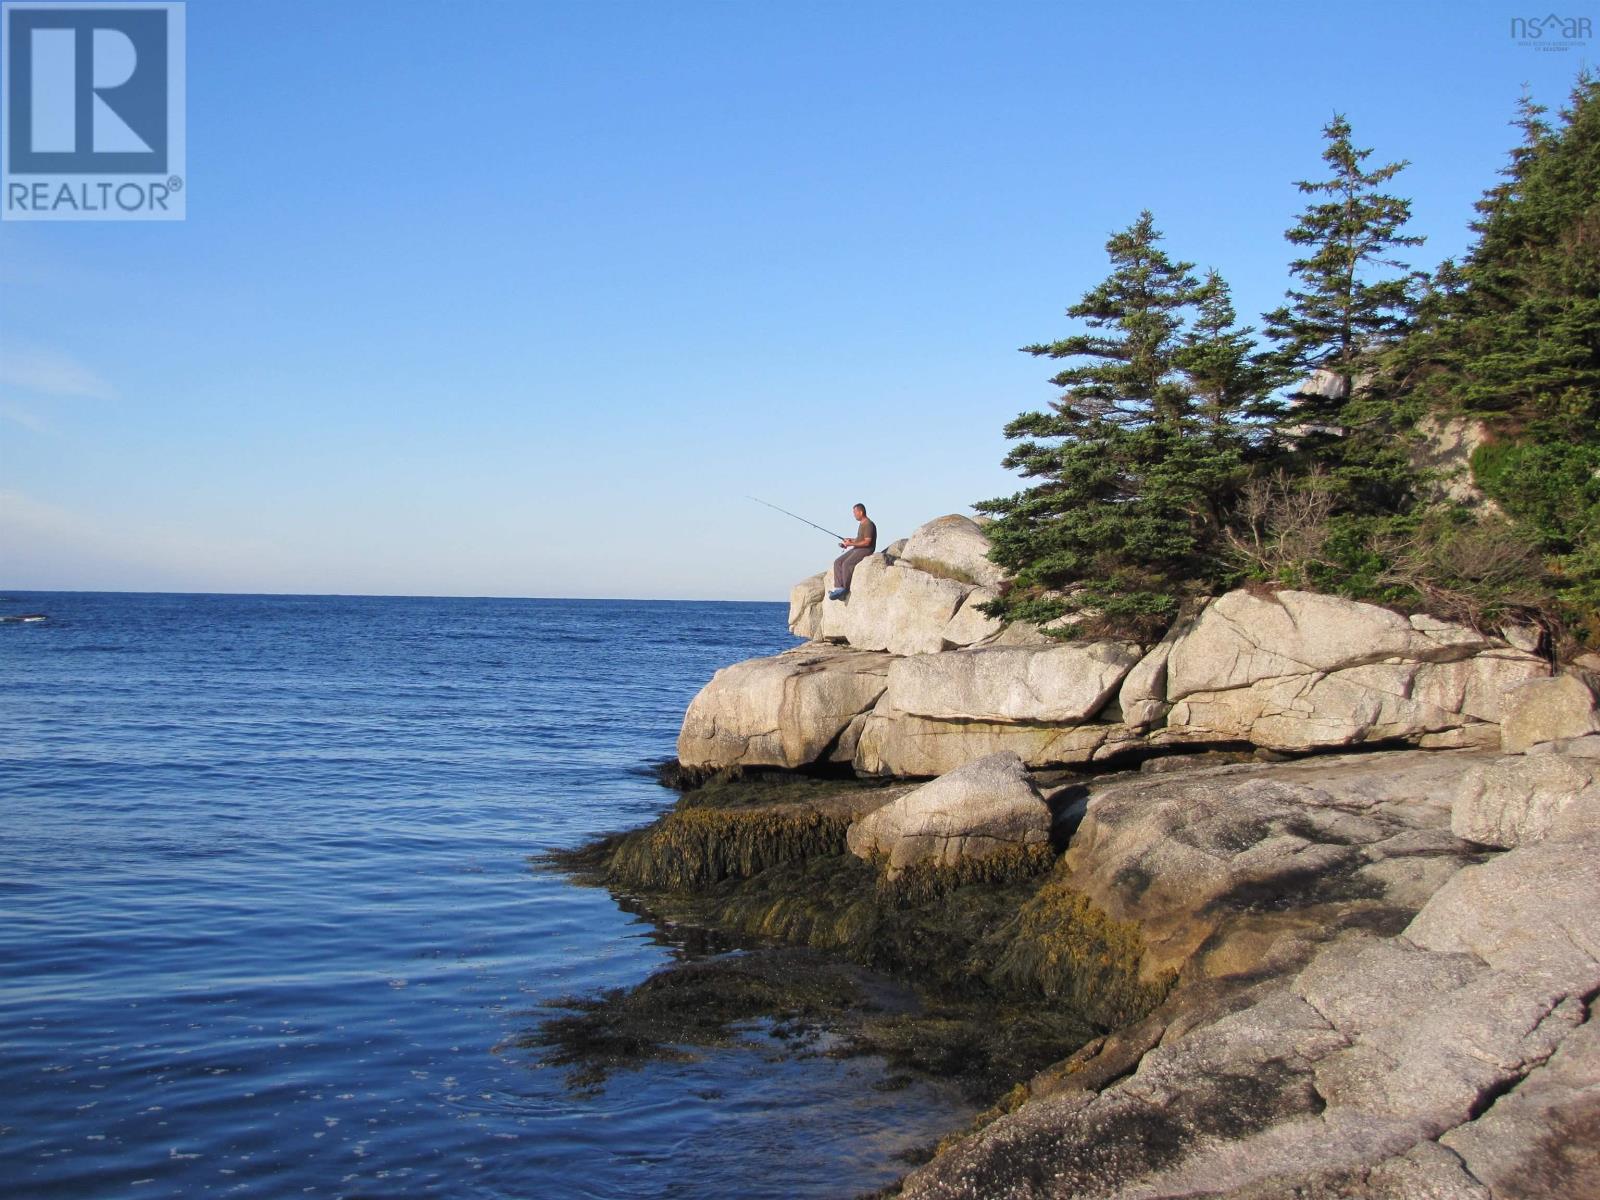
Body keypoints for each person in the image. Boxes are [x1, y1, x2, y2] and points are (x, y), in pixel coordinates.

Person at [828, 503, 877, 599]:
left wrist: (850, 544)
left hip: (866, 549)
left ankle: (845, 589)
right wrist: (850, 540)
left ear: (861, 512)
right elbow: (859, 539)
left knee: (847, 564)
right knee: (838, 562)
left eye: (855, 512)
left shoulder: (868, 524)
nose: (854, 515)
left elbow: (867, 542)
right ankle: (838, 589)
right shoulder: (862, 524)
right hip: (858, 548)